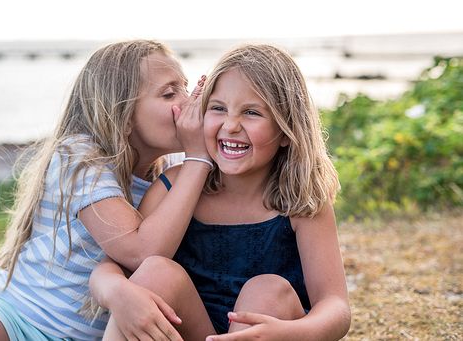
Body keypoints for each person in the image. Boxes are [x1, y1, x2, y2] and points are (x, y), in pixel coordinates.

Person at [0, 40, 212, 341]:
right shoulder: (80, 157)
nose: (187, 103)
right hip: (17, 317)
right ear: (121, 113)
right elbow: (138, 251)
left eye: (185, 88)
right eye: (170, 93)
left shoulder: (170, 170)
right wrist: (198, 158)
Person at [91, 44, 351, 340]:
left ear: (286, 130)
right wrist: (116, 293)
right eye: (218, 108)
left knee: (267, 289)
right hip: (192, 328)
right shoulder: (174, 186)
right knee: (156, 271)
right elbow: (108, 270)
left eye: (251, 112)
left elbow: (336, 306)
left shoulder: (301, 200)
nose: (230, 125)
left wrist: (292, 332)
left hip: (272, 329)